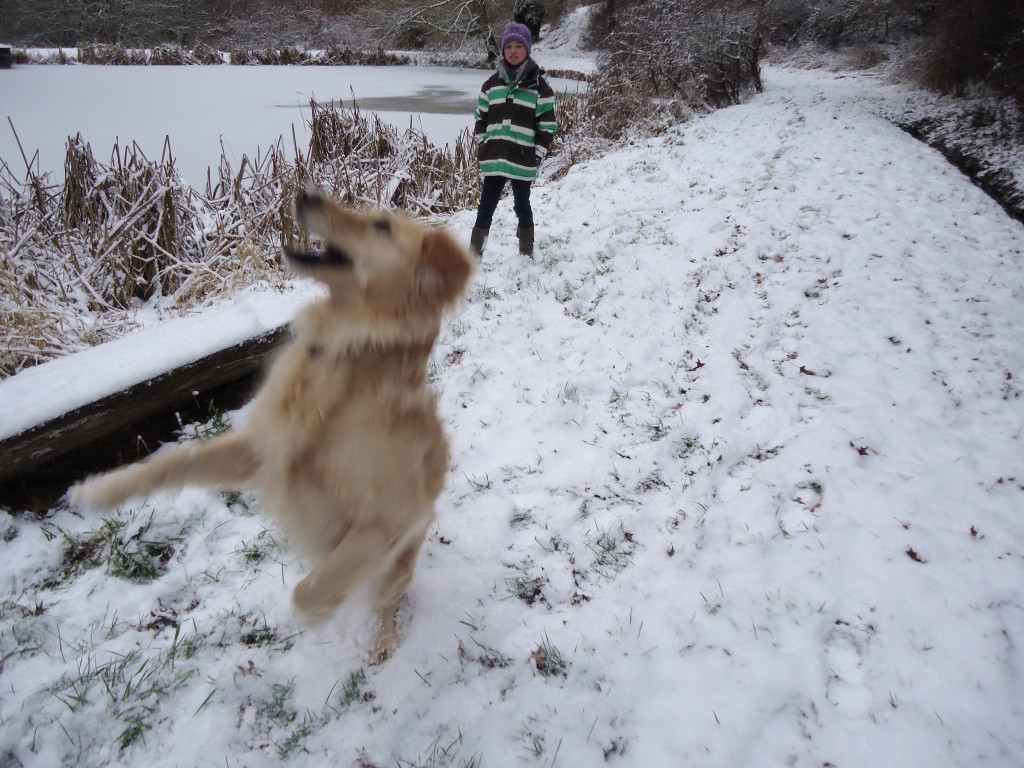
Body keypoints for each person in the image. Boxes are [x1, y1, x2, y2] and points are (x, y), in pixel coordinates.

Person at [470, 21, 557, 257]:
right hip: (494, 157)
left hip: (522, 158)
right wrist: (483, 142)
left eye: (519, 46)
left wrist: (536, 154)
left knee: (522, 205)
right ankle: (475, 253)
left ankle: (526, 252)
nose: (513, 51)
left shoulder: (540, 87)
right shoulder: (491, 84)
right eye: (509, 46)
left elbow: (547, 125)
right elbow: (480, 116)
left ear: (527, 49)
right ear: (503, 50)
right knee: (485, 206)